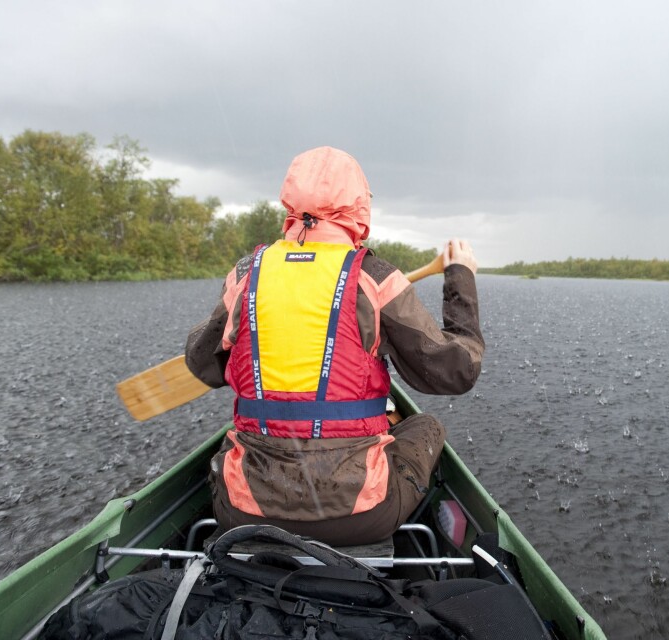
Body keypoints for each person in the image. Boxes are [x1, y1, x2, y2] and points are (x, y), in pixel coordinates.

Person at [184, 146, 484, 546]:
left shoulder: (245, 274)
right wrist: (460, 277)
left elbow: (202, 364)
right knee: (428, 426)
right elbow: (457, 371)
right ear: (359, 207)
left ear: (290, 203)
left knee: (233, 438)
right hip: (361, 515)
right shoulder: (376, 279)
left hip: (243, 512)